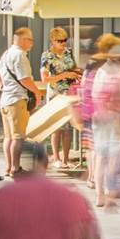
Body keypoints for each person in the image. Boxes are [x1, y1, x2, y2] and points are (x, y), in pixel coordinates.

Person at [87, 37, 120, 208]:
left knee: (101, 157)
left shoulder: (100, 71)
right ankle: (109, 193)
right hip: (114, 119)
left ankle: (100, 195)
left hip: (99, 119)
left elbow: (95, 96)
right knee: (113, 159)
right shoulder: (118, 71)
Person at [0, 27, 39, 174]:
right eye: (31, 39)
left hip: (5, 99)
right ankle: (15, 168)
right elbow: (24, 78)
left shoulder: (7, 54)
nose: (32, 43)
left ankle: (8, 167)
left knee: (8, 137)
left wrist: (2, 86)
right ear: (23, 40)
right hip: (17, 100)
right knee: (18, 137)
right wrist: (37, 92)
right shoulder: (19, 55)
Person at [39, 28, 82, 167]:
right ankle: (56, 158)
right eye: (60, 41)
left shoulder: (68, 52)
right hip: (55, 95)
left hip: (69, 93)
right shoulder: (47, 56)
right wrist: (65, 75)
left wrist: (77, 72)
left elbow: (73, 68)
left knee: (68, 128)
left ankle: (66, 158)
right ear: (52, 40)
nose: (64, 43)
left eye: (65, 40)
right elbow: (45, 79)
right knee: (57, 127)